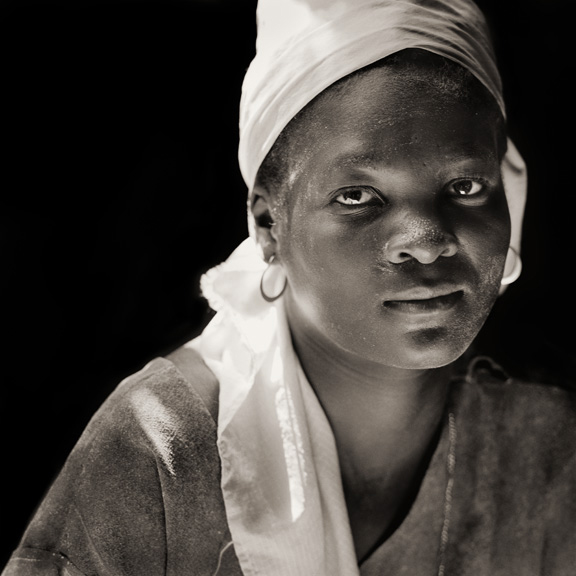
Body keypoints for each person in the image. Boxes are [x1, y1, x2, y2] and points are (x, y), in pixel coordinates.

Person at [3, 0, 575, 575]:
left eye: (467, 185)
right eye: (357, 197)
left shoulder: (545, 442)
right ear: (268, 226)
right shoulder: (161, 452)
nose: (427, 241)